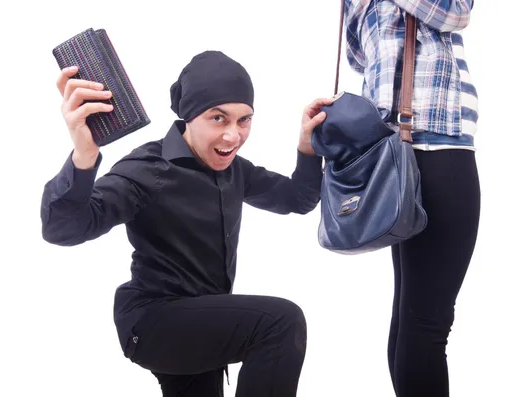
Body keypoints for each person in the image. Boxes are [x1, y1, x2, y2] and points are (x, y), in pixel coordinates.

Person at [40, 50, 331, 396]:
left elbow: (296, 199)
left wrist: (308, 148)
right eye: (218, 119)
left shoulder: (236, 170)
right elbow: (62, 227)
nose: (233, 136)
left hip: (203, 323)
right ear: (189, 116)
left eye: (244, 120)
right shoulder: (148, 169)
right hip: (153, 322)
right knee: (281, 323)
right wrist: (84, 157)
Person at [343, 1, 480, 396]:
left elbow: (358, 54)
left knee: (410, 317)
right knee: (427, 323)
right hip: (438, 147)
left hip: (391, 158)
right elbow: (456, 12)